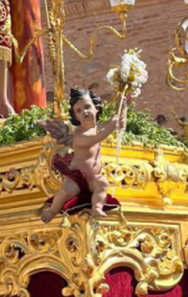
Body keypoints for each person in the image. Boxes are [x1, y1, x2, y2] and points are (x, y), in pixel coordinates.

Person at [41, 88, 125, 222]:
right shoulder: (79, 135)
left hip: (94, 177)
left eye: (87, 107)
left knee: (102, 183)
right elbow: (96, 138)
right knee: (65, 192)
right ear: (75, 116)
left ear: (96, 108)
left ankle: (97, 207)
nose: (84, 112)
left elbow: (119, 117)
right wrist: (112, 126)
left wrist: (123, 98)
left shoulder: (100, 126)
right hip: (78, 177)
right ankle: (52, 210)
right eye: (79, 111)